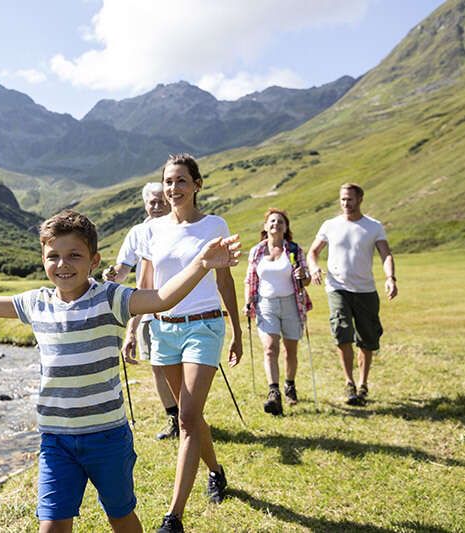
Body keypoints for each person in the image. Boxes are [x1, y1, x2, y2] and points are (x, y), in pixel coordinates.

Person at [0, 210, 241, 533]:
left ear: (94, 261)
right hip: (55, 439)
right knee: (51, 525)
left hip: (107, 436)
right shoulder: (37, 303)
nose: (62, 265)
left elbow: (163, 297)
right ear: (43, 259)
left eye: (74, 256)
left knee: (121, 517)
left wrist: (202, 263)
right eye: (53, 256)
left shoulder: (110, 298)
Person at [127, 154, 243, 533]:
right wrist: (132, 329)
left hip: (204, 327)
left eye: (181, 181)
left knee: (188, 418)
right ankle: (216, 470)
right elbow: (145, 287)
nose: (173, 188)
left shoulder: (214, 225)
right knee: (188, 416)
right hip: (163, 329)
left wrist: (238, 331)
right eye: (168, 181)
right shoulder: (151, 229)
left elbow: (225, 281)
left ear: (197, 185)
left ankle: (173, 517)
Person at [307, 183, 398, 406]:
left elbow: (386, 254)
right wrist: (314, 267)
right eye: (342, 199)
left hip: (365, 290)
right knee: (342, 331)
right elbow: (313, 252)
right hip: (337, 287)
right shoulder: (330, 225)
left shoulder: (373, 227)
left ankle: (363, 383)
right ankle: (349, 383)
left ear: (360, 199)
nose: (345, 203)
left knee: (367, 340)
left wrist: (390, 278)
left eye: (349, 199)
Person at [104, 182, 179, 440]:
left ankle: (189, 415)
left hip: (179, 306)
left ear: (169, 201)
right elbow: (123, 269)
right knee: (158, 366)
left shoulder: (178, 226)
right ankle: (174, 418)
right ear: (145, 204)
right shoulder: (137, 232)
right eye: (152, 202)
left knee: (179, 365)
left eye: (161, 201)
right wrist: (111, 275)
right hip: (148, 308)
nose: (157, 206)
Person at [243, 208, 311, 416]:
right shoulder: (257, 251)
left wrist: (303, 274)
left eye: (280, 222)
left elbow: (306, 280)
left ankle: (289, 384)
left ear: (286, 227)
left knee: (290, 350)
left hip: (291, 303)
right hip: (266, 304)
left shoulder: (294, 250)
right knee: (270, 348)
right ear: (265, 227)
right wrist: (248, 301)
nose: (276, 225)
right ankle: (274, 393)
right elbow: (249, 280)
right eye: (272, 222)